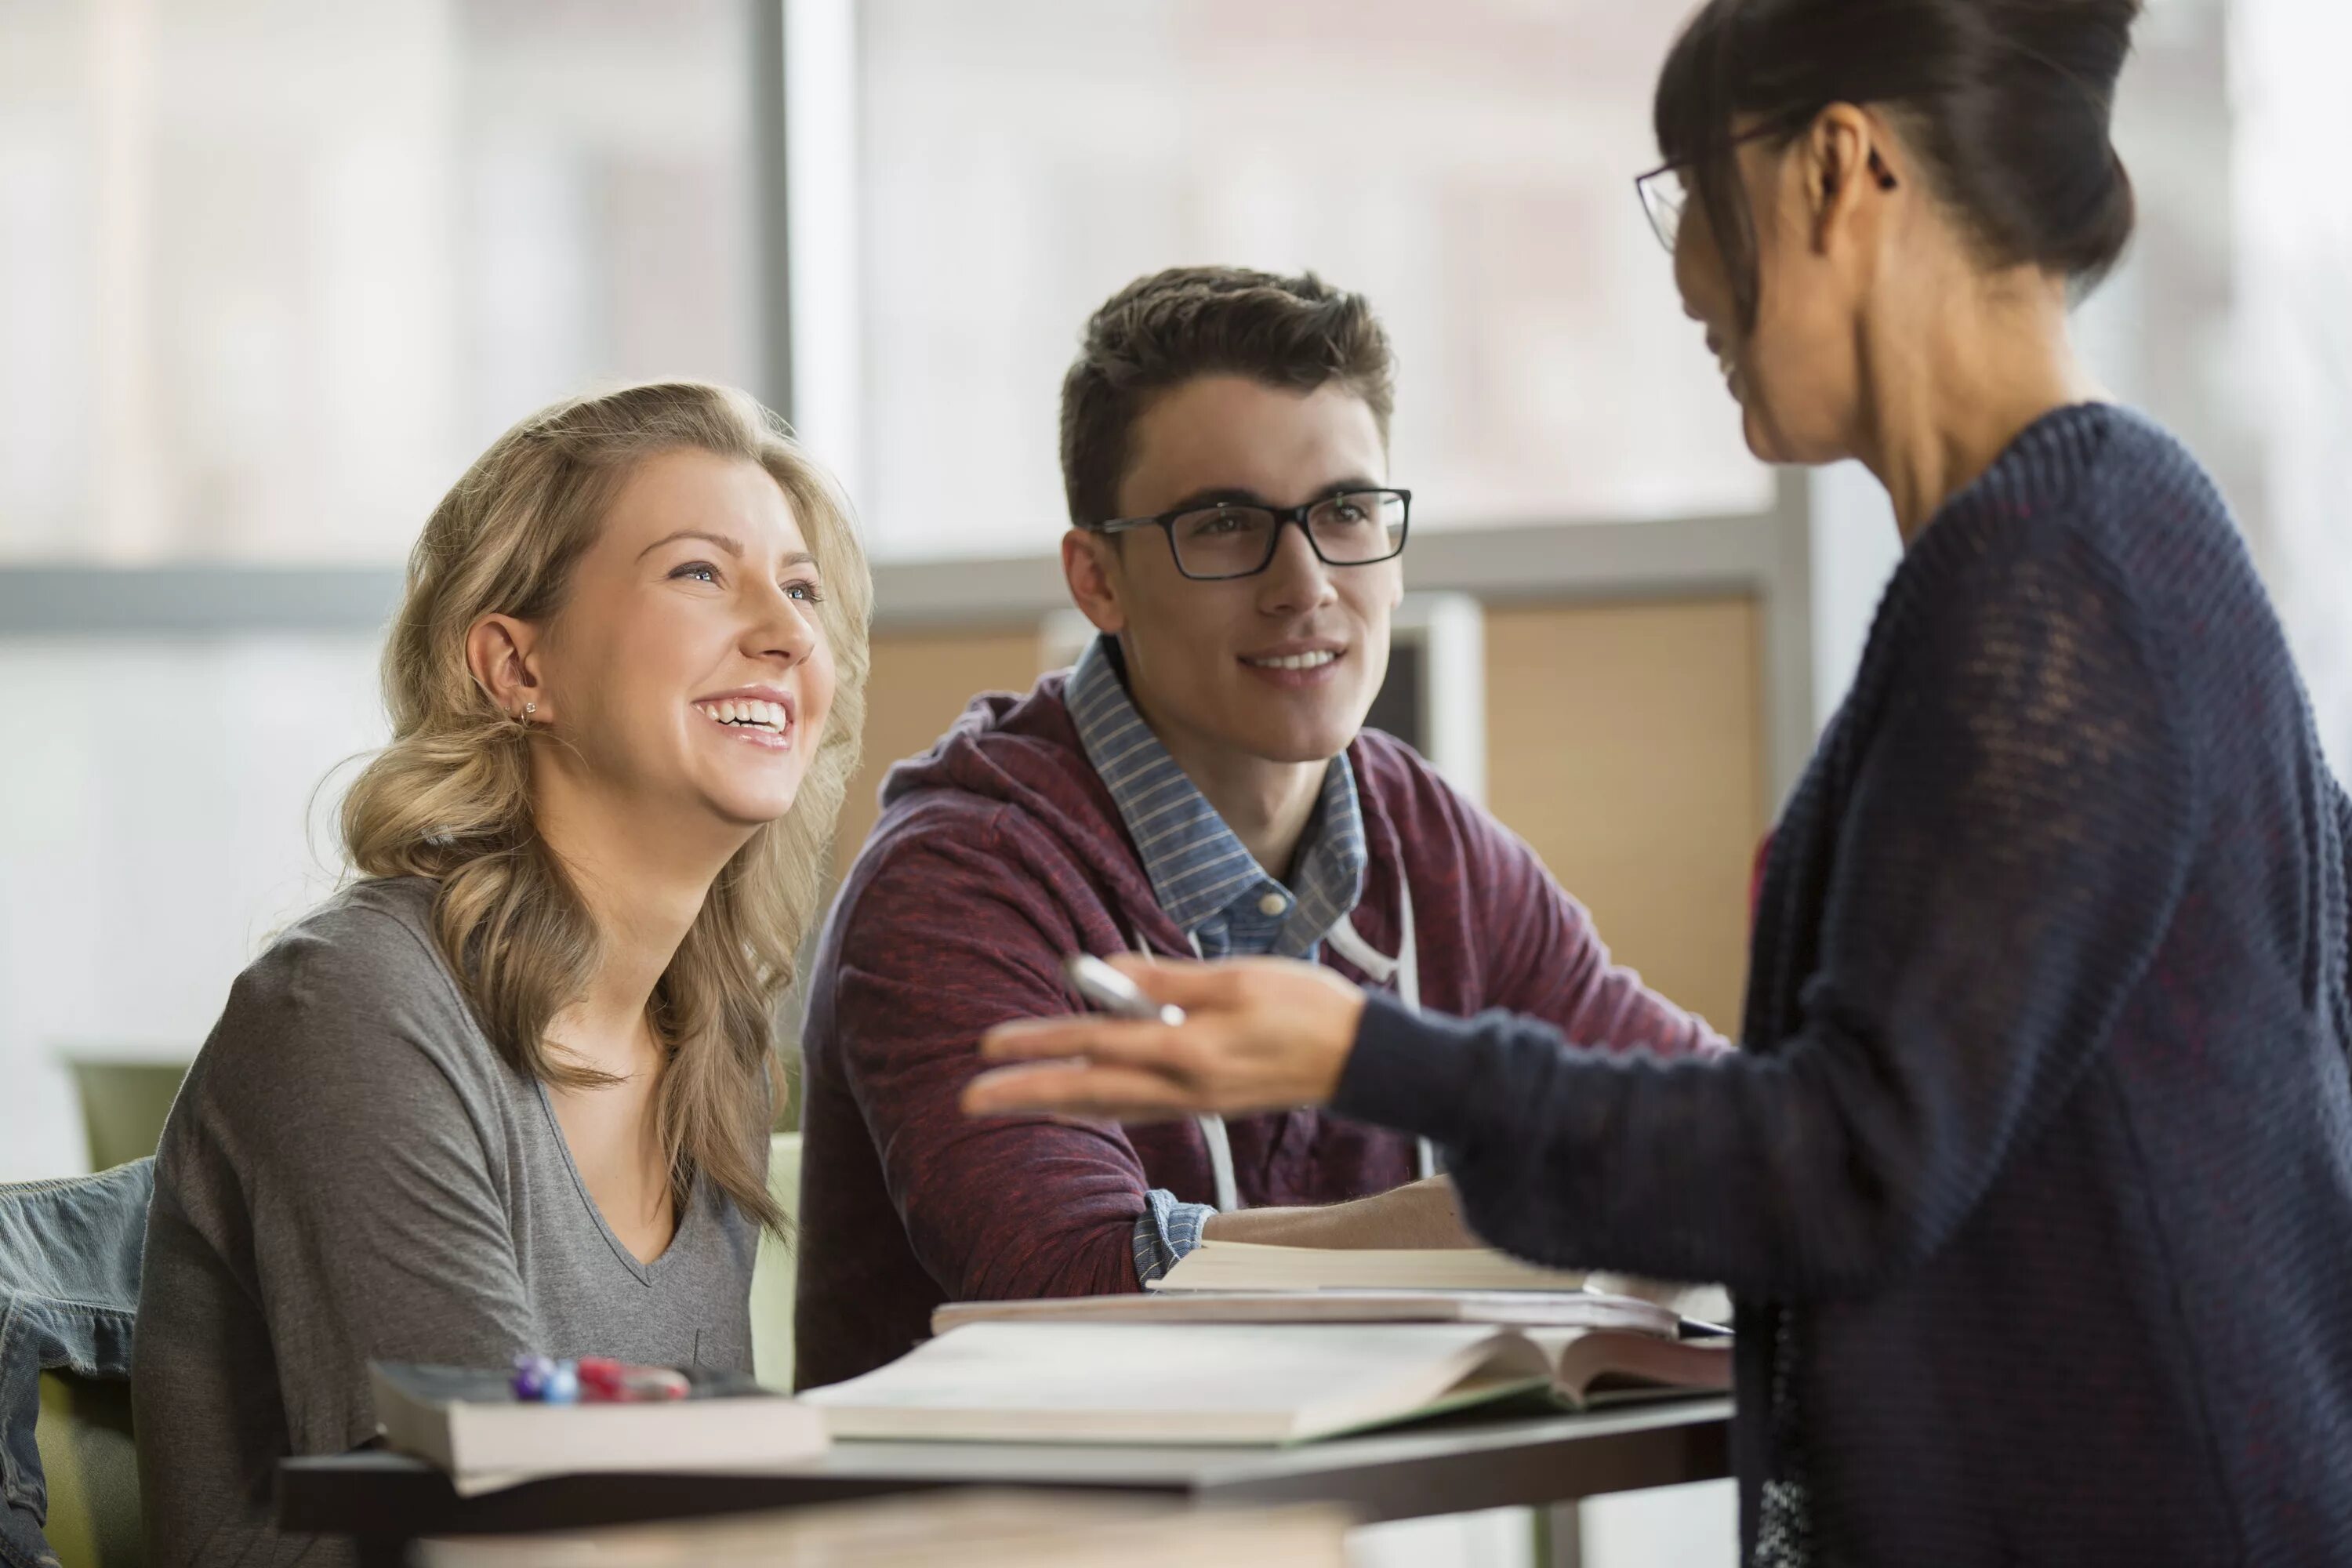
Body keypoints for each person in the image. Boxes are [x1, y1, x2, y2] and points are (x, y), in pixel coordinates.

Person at [966, 2, 2352, 1563]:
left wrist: (1377, 1054)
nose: (1685, 272)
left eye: (1691, 190)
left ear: (1839, 171)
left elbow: (1842, 1161)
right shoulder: (2115, 537)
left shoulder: (2052, 581)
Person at [792, 266, 1723, 1391]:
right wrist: (1495, 1216)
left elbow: (1710, 1130)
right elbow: (1059, 1282)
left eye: (1345, 513)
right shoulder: (960, 883)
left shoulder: (1432, 843)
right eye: (1225, 525)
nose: (1306, 585)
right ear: (1098, 579)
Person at [133, 382, 872, 1566]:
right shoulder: (354, 1009)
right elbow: (491, 1530)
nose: (787, 634)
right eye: (698, 573)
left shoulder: (707, 1044)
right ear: (515, 666)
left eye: (800, 588)